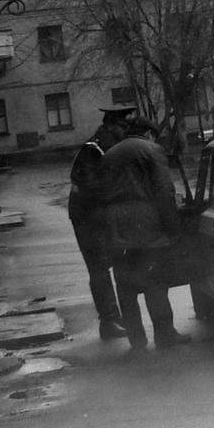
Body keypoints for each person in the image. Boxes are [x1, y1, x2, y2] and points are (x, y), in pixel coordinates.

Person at [99, 116, 192, 350]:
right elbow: (164, 191)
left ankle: (137, 342)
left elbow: (99, 194)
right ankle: (165, 336)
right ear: (149, 134)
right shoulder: (151, 150)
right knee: (156, 283)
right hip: (147, 225)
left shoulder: (109, 155)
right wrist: (173, 228)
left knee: (126, 288)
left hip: (116, 227)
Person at [68, 104, 136, 340]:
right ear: (111, 125)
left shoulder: (109, 146)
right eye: (122, 125)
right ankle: (108, 321)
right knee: (99, 268)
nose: (125, 131)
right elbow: (93, 188)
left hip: (99, 215)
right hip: (87, 217)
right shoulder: (93, 149)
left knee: (110, 264)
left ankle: (115, 316)